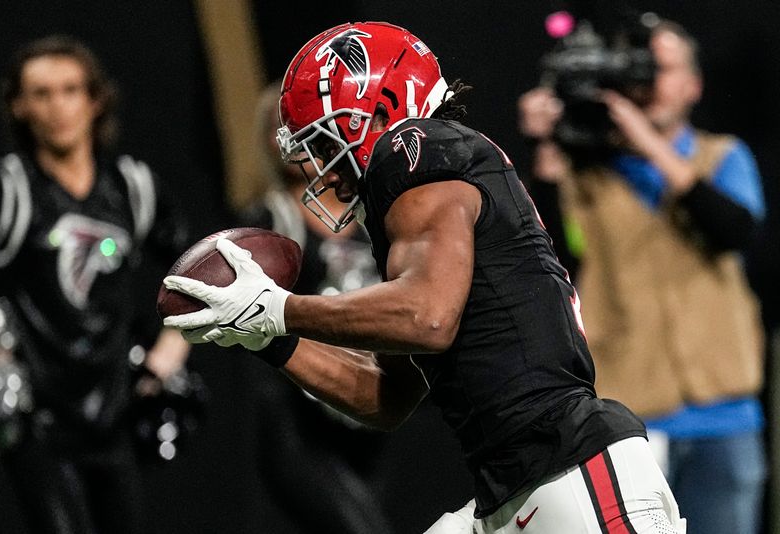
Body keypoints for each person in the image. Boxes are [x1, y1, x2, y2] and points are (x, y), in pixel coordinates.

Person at [163, 21, 684, 533]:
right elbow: (386, 396)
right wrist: (269, 337)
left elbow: (428, 319)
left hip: (569, 472)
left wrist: (280, 309)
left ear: (379, 110)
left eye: (324, 139)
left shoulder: (415, 149)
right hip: (517, 488)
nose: (322, 164)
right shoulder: (422, 182)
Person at [518, 18, 766, 534]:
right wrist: (546, 149)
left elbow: (734, 230)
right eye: (640, 70)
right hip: (635, 421)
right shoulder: (588, 174)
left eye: (664, 69)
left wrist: (646, 142)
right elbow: (552, 259)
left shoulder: (724, 156)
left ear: (693, 84)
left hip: (727, 418)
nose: (650, 82)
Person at [0, 35, 192, 534]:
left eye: (71, 89)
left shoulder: (133, 188)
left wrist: (172, 347)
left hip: (116, 412)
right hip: (37, 422)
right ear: (18, 105)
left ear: (96, 100)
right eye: (41, 93)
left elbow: (203, 265)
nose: (59, 107)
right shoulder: (8, 194)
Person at [236, 81, 392, 534]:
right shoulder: (268, 221)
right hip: (298, 419)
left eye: (298, 125)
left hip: (367, 410)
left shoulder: (374, 217)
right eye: (275, 129)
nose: (287, 139)